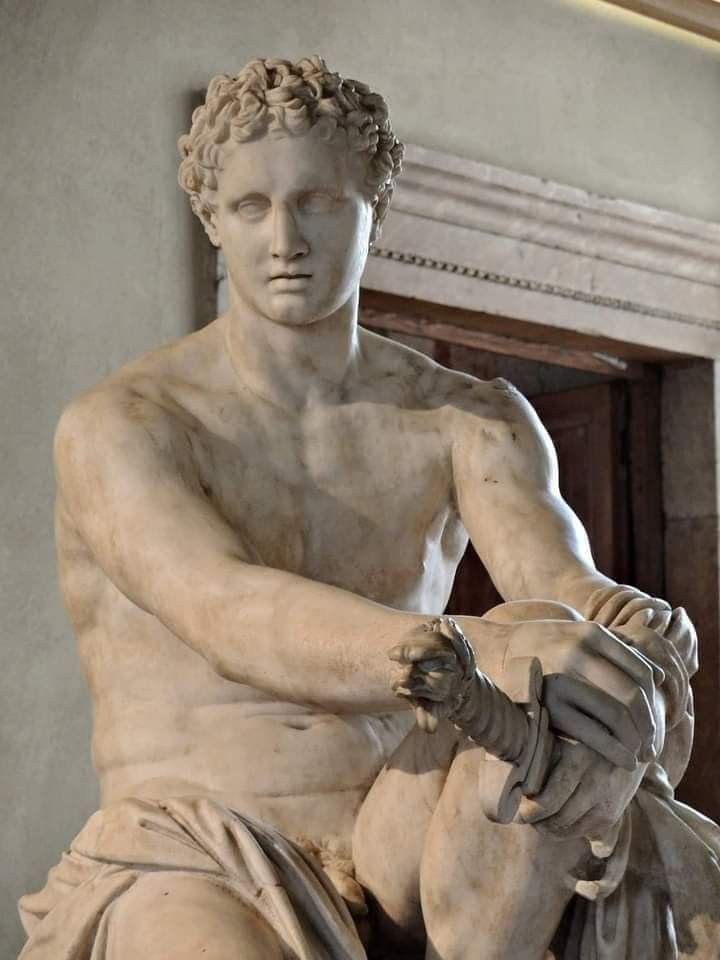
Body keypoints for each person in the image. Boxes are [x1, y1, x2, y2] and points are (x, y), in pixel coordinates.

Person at [18, 56, 719, 960]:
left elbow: (561, 589)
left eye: (318, 202)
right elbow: (224, 607)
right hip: (195, 843)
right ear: (211, 220)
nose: (285, 239)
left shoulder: (471, 418)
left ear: (374, 209)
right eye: (251, 207)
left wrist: (630, 639)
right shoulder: (126, 425)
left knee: (561, 699)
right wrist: (483, 647)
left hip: (407, 831)